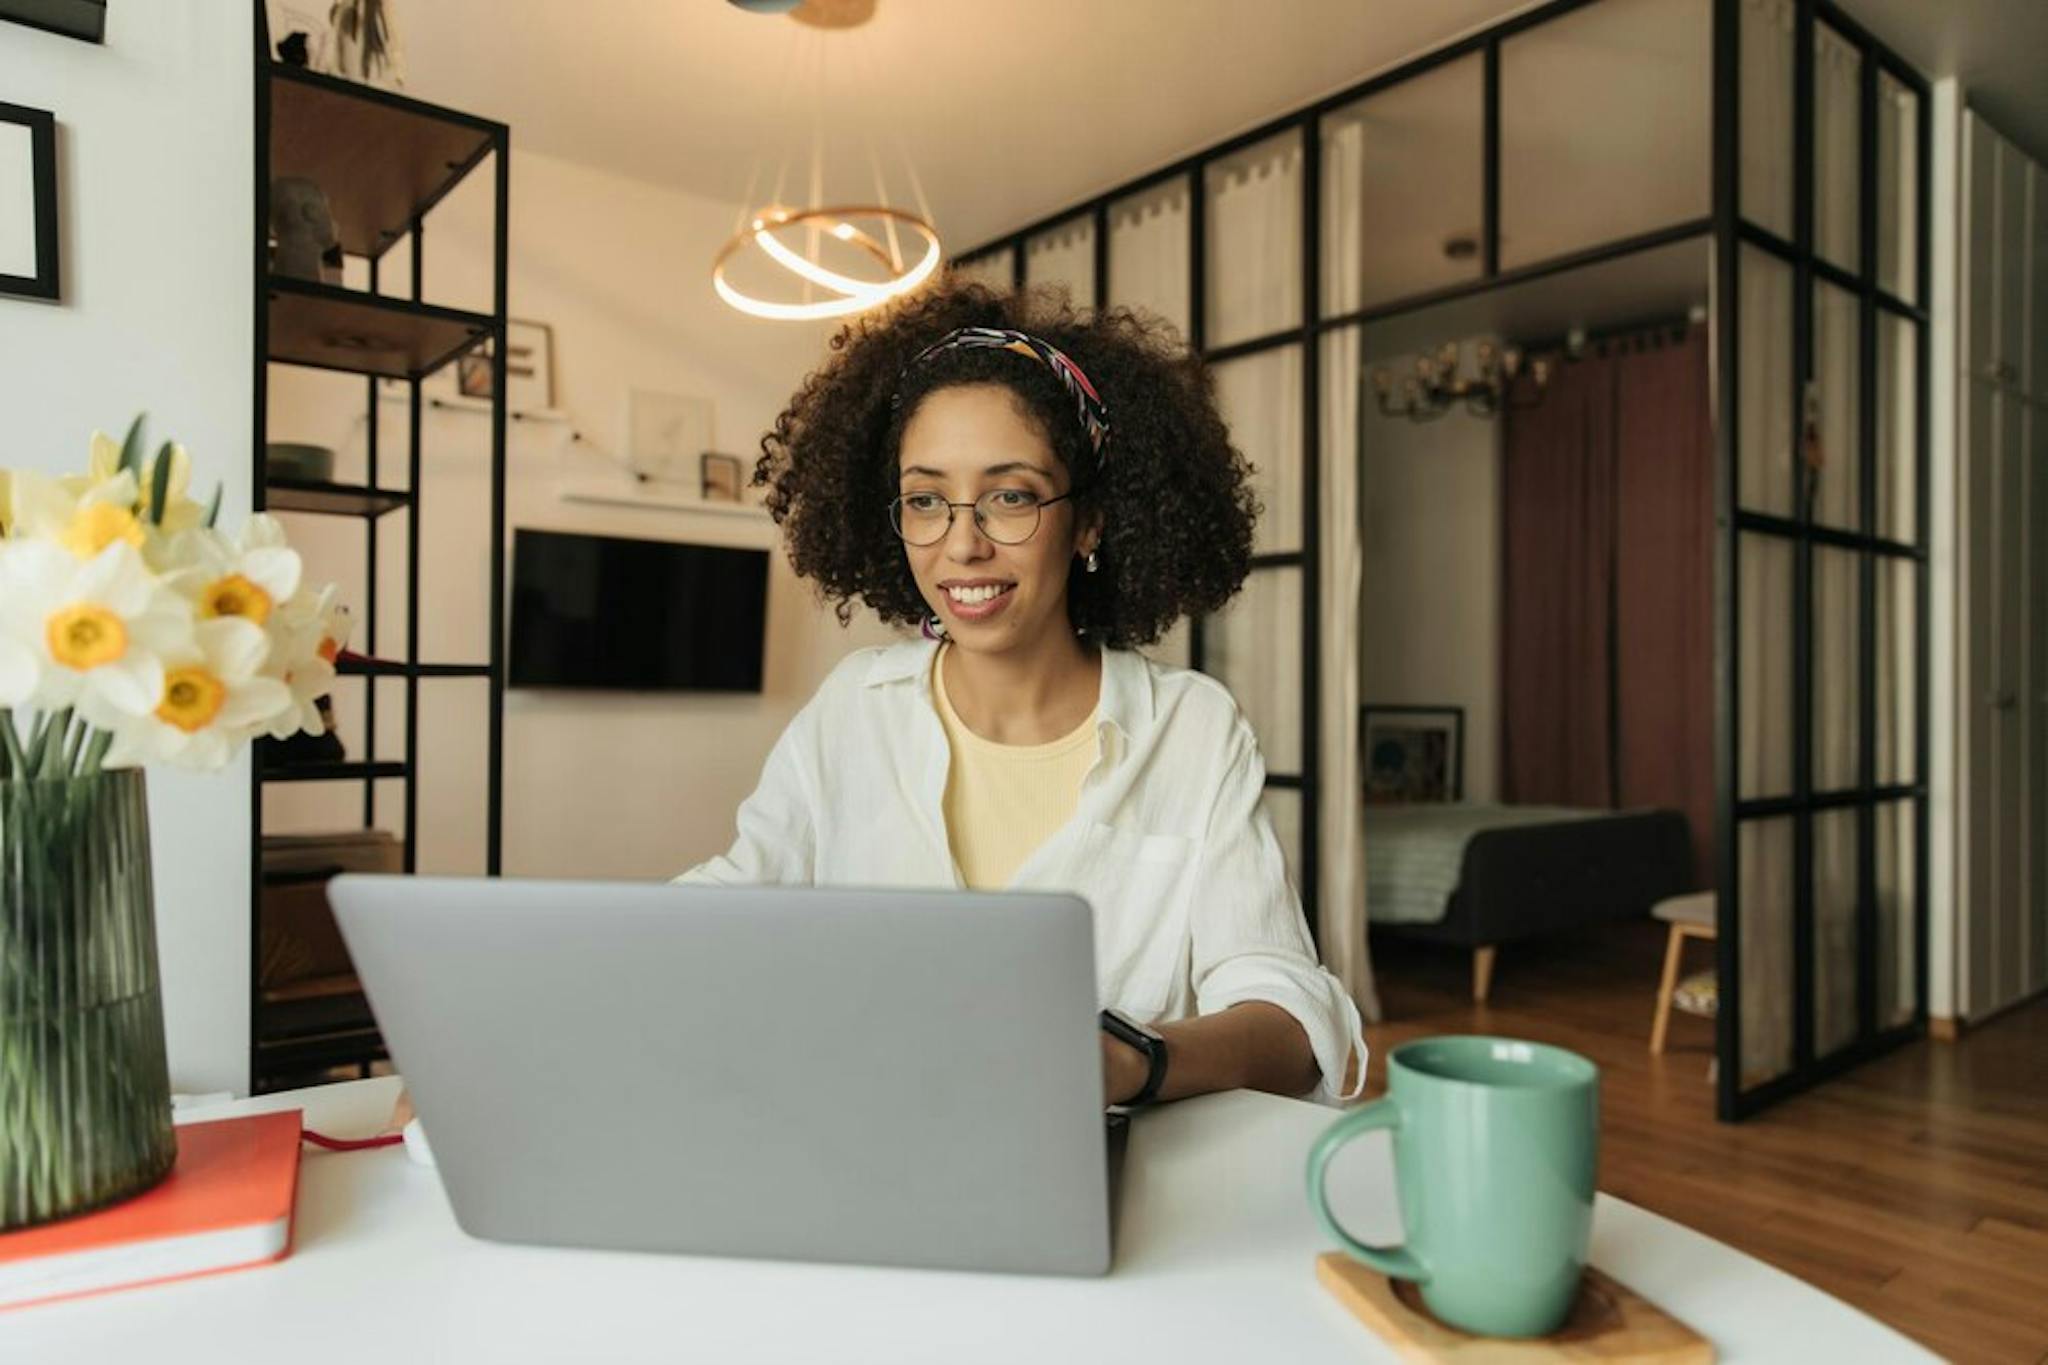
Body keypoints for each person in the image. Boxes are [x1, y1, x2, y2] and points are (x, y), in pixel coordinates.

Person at [674, 277, 1365, 1106]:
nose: (961, 545)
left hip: (1112, 1174)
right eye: (927, 499)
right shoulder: (855, 707)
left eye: (1010, 496)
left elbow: (1292, 1024)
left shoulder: (1192, 731)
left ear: (1089, 523)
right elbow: (730, 905)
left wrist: (1132, 1057)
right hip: (863, 1139)